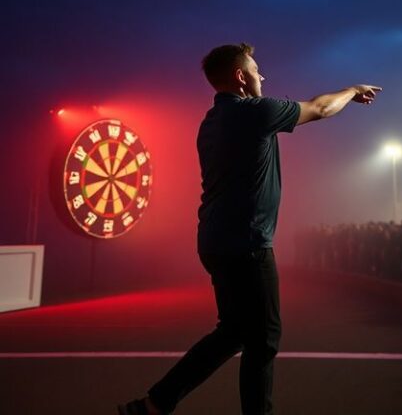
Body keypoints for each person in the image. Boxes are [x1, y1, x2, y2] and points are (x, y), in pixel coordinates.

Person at [118, 43, 381, 415]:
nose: (263, 77)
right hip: (247, 242)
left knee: (233, 332)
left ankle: (154, 404)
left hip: (215, 240)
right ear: (241, 77)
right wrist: (352, 91)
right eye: (257, 70)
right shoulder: (253, 113)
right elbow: (321, 108)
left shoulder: (210, 122)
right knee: (264, 339)